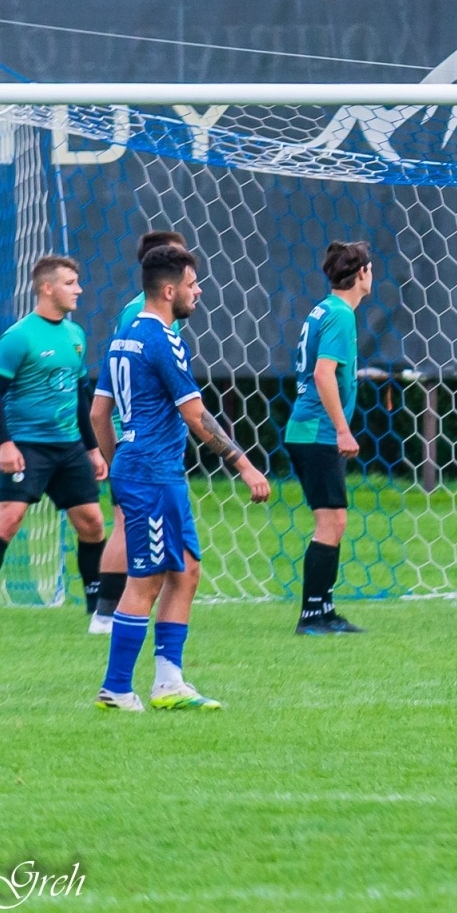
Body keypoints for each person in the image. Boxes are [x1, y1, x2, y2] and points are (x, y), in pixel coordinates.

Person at [90, 245, 272, 711]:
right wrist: (245, 464)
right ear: (169, 291)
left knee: (187, 570)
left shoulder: (123, 336)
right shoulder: (163, 340)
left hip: (149, 471)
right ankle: (115, 688)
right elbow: (196, 415)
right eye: (193, 285)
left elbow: (98, 413)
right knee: (147, 580)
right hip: (152, 473)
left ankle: (169, 683)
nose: (199, 291)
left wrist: (119, 463)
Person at [0, 257, 107, 624]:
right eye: (71, 283)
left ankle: (97, 607)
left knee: (92, 522)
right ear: (47, 288)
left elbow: (80, 397)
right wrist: (5, 444)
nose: (79, 289)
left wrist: (92, 449)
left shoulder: (75, 336)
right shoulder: (19, 336)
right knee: (9, 518)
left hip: (70, 446)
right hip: (27, 445)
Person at [90, 230, 188, 634]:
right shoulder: (143, 318)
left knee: (169, 553)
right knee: (124, 520)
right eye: (183, 265)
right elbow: (114, 396)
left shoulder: (145, 313)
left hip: (137, 438)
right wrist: (118, 458)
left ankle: (111, 611)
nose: (192, 280)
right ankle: (106, 611)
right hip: (135, 436)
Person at [285, 241, 373, 635]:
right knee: (331, 522)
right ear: (361, 274)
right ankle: (312, 616)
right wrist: (342, 429)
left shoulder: (325, 309)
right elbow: (323, 374)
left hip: (309, 429)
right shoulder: (340, 315)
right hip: (317, 431)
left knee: (334, 521)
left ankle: (324, 611)